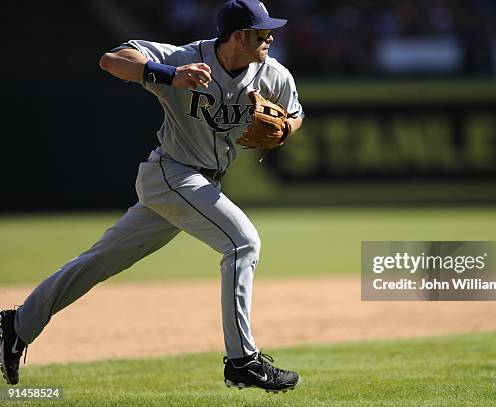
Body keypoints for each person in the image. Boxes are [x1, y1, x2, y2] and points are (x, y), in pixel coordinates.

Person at [0, 0, 303, 393]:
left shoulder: (272, 73)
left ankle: (17, 324)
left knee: (98, 261)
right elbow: (112, 59)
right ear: (239, 36)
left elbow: (294, 113)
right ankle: (242, 361)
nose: (270, 37)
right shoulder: (185, 58)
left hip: (200, 185)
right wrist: (169, 75)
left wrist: (285, 130)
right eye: (262, 32)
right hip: (172, 173)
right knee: (243, 243)